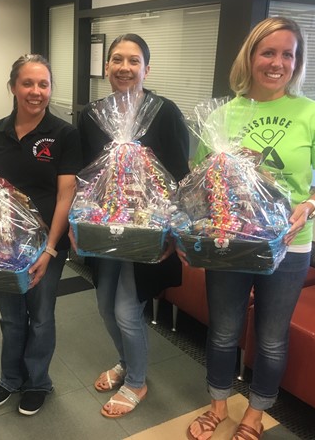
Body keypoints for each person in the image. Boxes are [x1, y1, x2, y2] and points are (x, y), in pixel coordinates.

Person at [185, 17, 315, 440]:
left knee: (272, 338)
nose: (277, 63)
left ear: (297, 61)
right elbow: (200, 179)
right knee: (222, 330)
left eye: (287, 54)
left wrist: (308, 206)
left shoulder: (313, 114)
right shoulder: (223, 113)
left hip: (290, 246)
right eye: (268, 52)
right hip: (230, 242)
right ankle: (218, 403)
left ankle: (256, 413)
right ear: (251, 57)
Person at [76, 33, 190, 418]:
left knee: (128, 309)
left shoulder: (165, 111)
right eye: (117, 60)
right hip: (104, 228)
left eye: (133, 60)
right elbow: (85, 176)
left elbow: (179, 176)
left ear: (146, 68)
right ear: (106, 66)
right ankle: (126, 362)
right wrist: (79, 224)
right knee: (105, 306)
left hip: (149, 233)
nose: (125, 68)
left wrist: (172, 232)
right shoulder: (92, 114)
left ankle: (137, 381)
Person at [0, 54, 82, 416]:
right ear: (12, 87)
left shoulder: (65, 134)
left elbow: (65, 195)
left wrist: (50, 249)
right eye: (28, 83)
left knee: (40, 315)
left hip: (44, 245)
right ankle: (10, 378)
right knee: (9, 316)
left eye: (44, 84)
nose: (36, 91)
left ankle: (37, 381)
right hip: (2, 246)